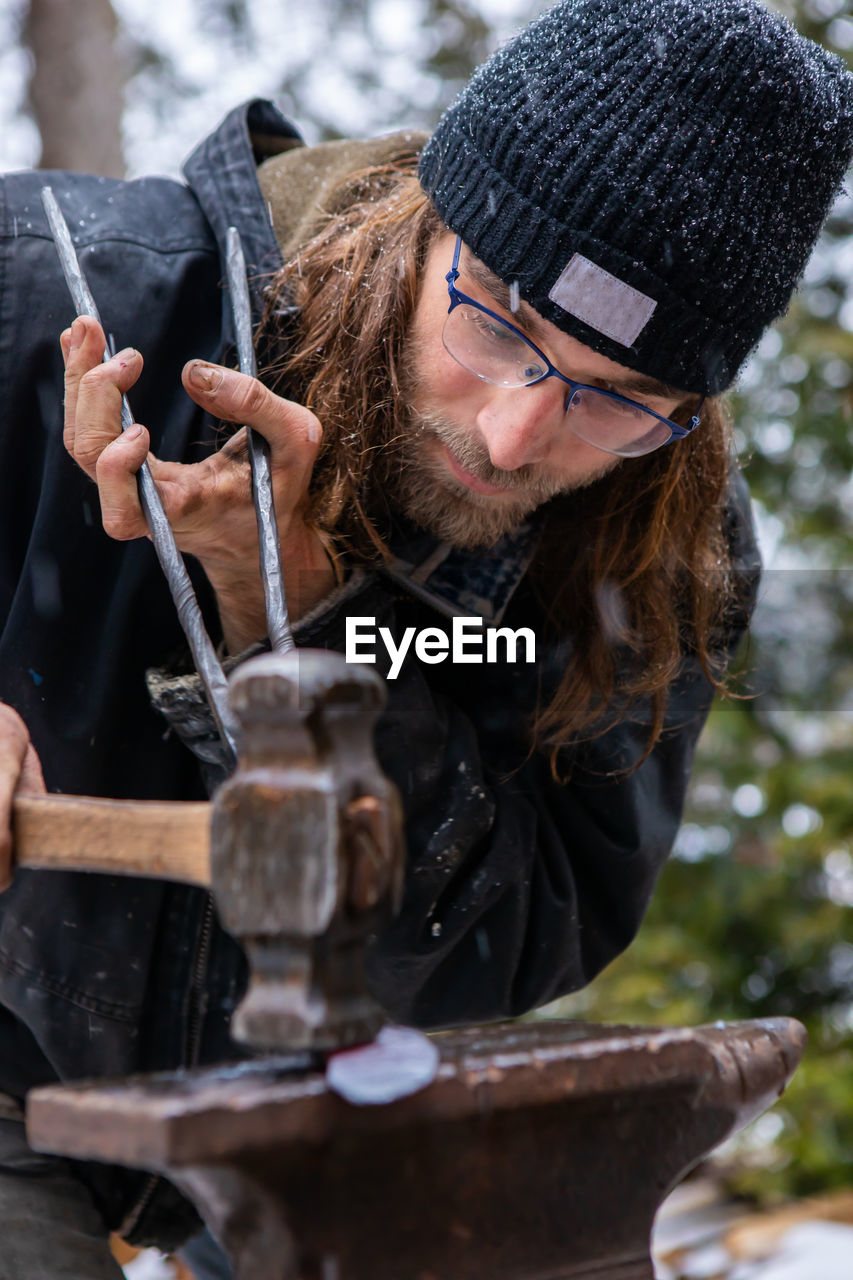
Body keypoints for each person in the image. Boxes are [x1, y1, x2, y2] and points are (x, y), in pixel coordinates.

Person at [0, 0, 851, 1273]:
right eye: (498, 323)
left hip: (325, 1111)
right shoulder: (57, 286)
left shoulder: (661, 551)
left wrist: (294, 621)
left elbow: (490, 957)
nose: (515, 438)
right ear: (420, 221)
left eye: (618, 399)